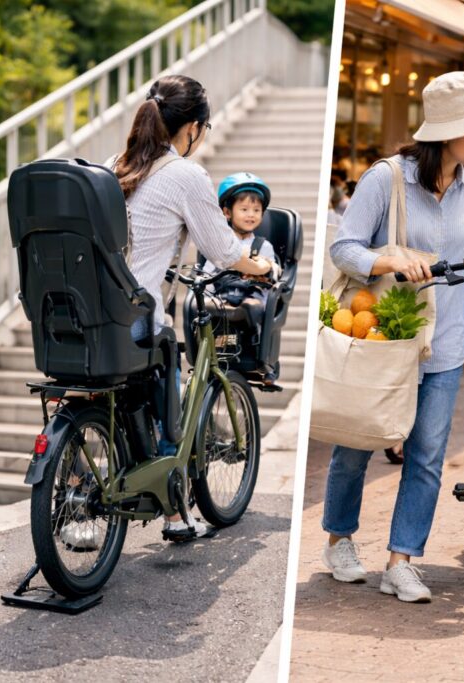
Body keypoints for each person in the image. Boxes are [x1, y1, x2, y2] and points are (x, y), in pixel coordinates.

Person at [324, 71, 464, 603]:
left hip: (444, 343)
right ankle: (338, 539)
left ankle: (402, 561)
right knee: (360, 441)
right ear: (448, 132)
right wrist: (391, 260)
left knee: (426, 454)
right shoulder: (386, 178)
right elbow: (345, 248)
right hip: (385, 335)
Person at [110, 75, 272, 541]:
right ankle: (175, 513)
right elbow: (223, 251)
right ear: (194, 128)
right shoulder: (185, 174)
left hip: (96, 315)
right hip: (138, 317)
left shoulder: (114, 165)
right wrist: (259, 265)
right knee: (170, 391)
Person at [204, 172, 282, 385]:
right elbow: (207, 274)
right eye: (244, 209)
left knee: (252, 307)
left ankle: (261, 356)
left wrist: (266, 267)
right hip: (222, 294)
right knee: (200, 306)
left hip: (251, 293)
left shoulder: (262, 246)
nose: (251, 215)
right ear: (227, 212)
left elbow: (272, 270)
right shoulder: (219, 244)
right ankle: (209, 352)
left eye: (256, 210)